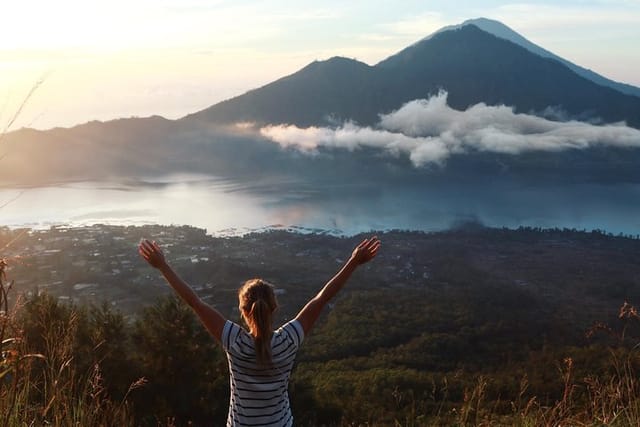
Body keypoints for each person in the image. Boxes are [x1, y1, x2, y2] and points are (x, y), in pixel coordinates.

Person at [138, 236, 380, 426]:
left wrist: (163, 266)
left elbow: (194, 302)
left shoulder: (234, 341)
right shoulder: (288, 341)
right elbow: (323, 297)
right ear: (274, 308)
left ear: (243, 311)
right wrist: (354, 262)